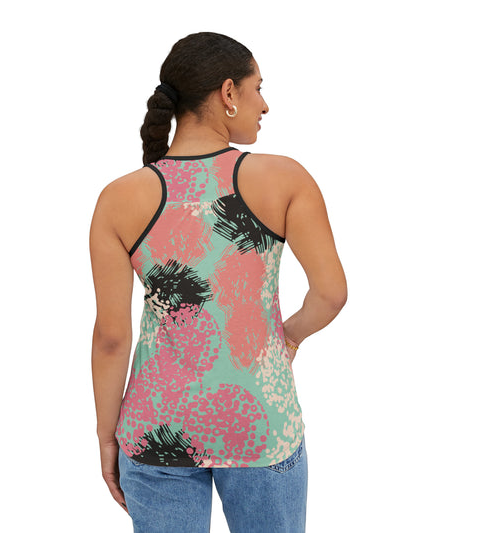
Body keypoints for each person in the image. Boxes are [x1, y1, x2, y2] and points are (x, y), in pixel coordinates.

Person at [89, 31, 347, 533]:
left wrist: (106, 435)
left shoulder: (119, 198)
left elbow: (111, 337)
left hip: (156, 428)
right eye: (258, 88)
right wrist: (288, 337)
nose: (264, 105)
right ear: (229, 92)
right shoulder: (285, 179)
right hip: (261, 423)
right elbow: (331, 294)